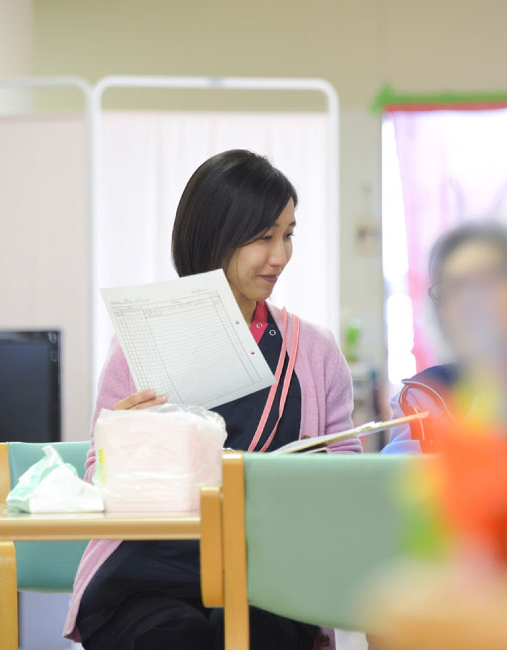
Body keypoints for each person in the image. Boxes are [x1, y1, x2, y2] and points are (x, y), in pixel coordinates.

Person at [63, 150, 360, 650]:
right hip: (148, 572)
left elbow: (346, 481)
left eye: (287, 235)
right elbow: (98, 477)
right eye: (263, 237)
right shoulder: (141, 341)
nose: (280, 256)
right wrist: (124, 444)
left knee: (256, 634)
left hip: (268, 570)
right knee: (172, 638)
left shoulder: (315, 351)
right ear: (213, 236)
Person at [382, 221, 507, 454]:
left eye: (487, 282)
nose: (470, 300)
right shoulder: (424, 396)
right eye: (455, 288)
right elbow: (394, 478)